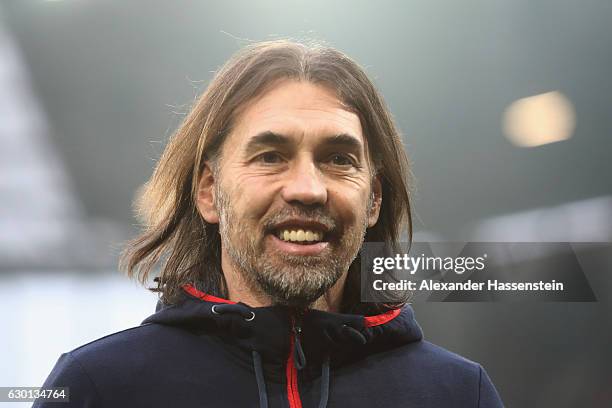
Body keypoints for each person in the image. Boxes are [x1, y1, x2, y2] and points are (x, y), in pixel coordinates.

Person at [35, 39, 504, 408]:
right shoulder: (100, 389)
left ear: (374, 198)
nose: (307, 188)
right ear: (208, 192)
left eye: (339, 159)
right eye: (271, 156)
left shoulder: (459, 394)